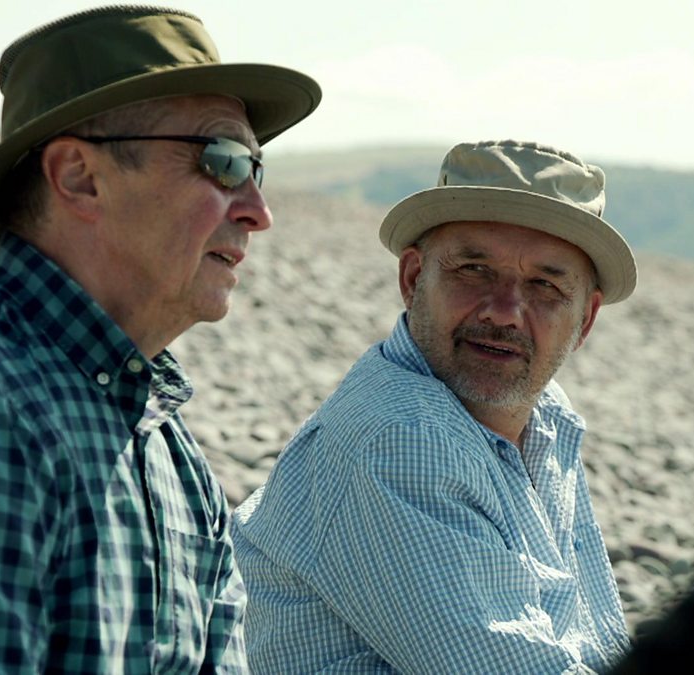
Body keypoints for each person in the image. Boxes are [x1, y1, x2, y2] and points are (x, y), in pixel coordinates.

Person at [0, 6, 319, 672]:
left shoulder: (171, 452)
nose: (258, 212)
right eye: (224, 161)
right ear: (78, 176)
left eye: (255, 170)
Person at [232, 139, 638, 672]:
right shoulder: (401, 438)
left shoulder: (543, 416)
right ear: (412, 279)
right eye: (474, 270)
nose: (504, 312)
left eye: (544, 285)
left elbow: (591, 636)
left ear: (585, 320)